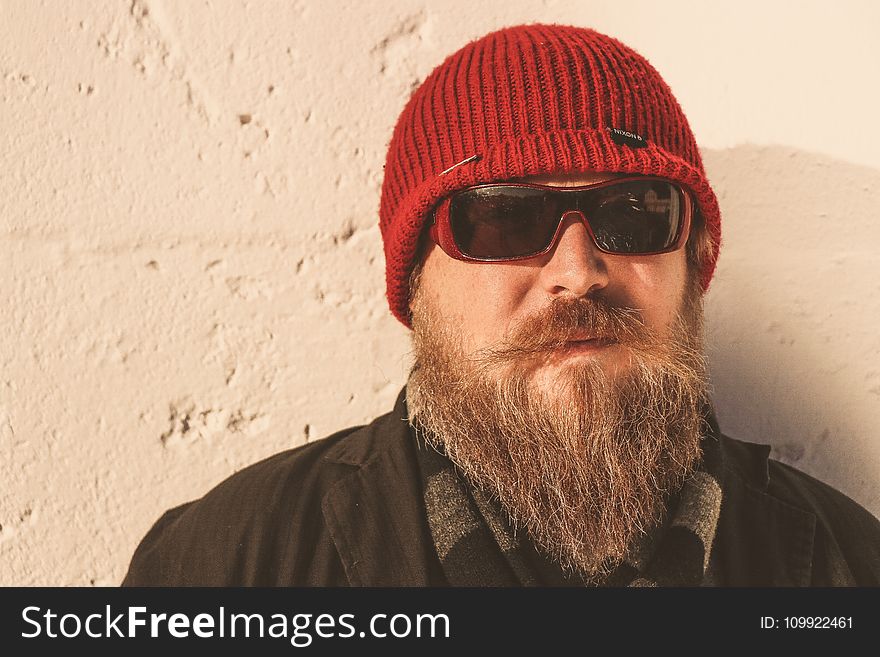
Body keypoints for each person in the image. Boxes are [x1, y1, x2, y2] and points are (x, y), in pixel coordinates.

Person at [123, 23, 880, 587]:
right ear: (413, 282)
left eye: (637, 211)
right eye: (502, 217)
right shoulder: (228, 569)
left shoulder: (850, 565)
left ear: (697, 258)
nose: (578, 272)